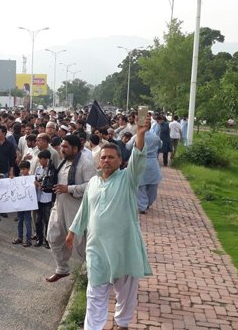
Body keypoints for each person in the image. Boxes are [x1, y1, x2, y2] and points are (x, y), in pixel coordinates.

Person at [66, 114, 153, 330]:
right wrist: (72, 231)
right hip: (97, 248)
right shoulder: (93, 182)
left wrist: (140, 134)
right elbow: (85, 209)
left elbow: (139, 158)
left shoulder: (127, 178)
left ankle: (121, 323)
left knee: (126, 294)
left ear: (120, 161)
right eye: (103, 157)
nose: (106, 160)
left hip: (123, 247)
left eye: (111, 157)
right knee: (94, 292)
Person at [46, 135, 96, 283]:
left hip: (76, 207)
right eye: (62, 146)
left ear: (75, 148)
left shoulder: (86, 164)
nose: (62, 149)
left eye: (66, 147)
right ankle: (62, 268)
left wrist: (69, 188)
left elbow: (91, 186)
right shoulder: (62, 162)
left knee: (80, 242)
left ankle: (93, 271)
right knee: (53, 236)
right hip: (59, 204)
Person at [132, 130, 162, 214]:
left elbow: (128, 146)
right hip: (153, 163)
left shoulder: (136, 136)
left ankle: (142, 206)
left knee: (140, 186)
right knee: (153, 185)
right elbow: (160, 145)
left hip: (140, 161)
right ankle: (148, 203)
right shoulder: (155, 137)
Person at [34, 150, 56, 248]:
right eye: (39, 159)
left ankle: (48, 240)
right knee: (38, 220)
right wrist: (36, 183)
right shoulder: (38, 169)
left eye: (42, 159)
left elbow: (51, 183)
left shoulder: (51, 170)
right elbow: (35, 179)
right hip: (38, 197)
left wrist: (43, 185)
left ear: (47, 159)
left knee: (47, 220)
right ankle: (39, 238)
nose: (40, 161)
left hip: (47, 198)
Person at [12, 161, 33, 247]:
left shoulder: (31, 179)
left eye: (24, 169)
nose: (22, 171)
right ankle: (20, 237)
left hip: (27, 204)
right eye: (21, 169)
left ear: (28, 169)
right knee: (20, 221)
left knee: (28, 222)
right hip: (20, 203)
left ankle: (28, 239)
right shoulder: (18, 179)